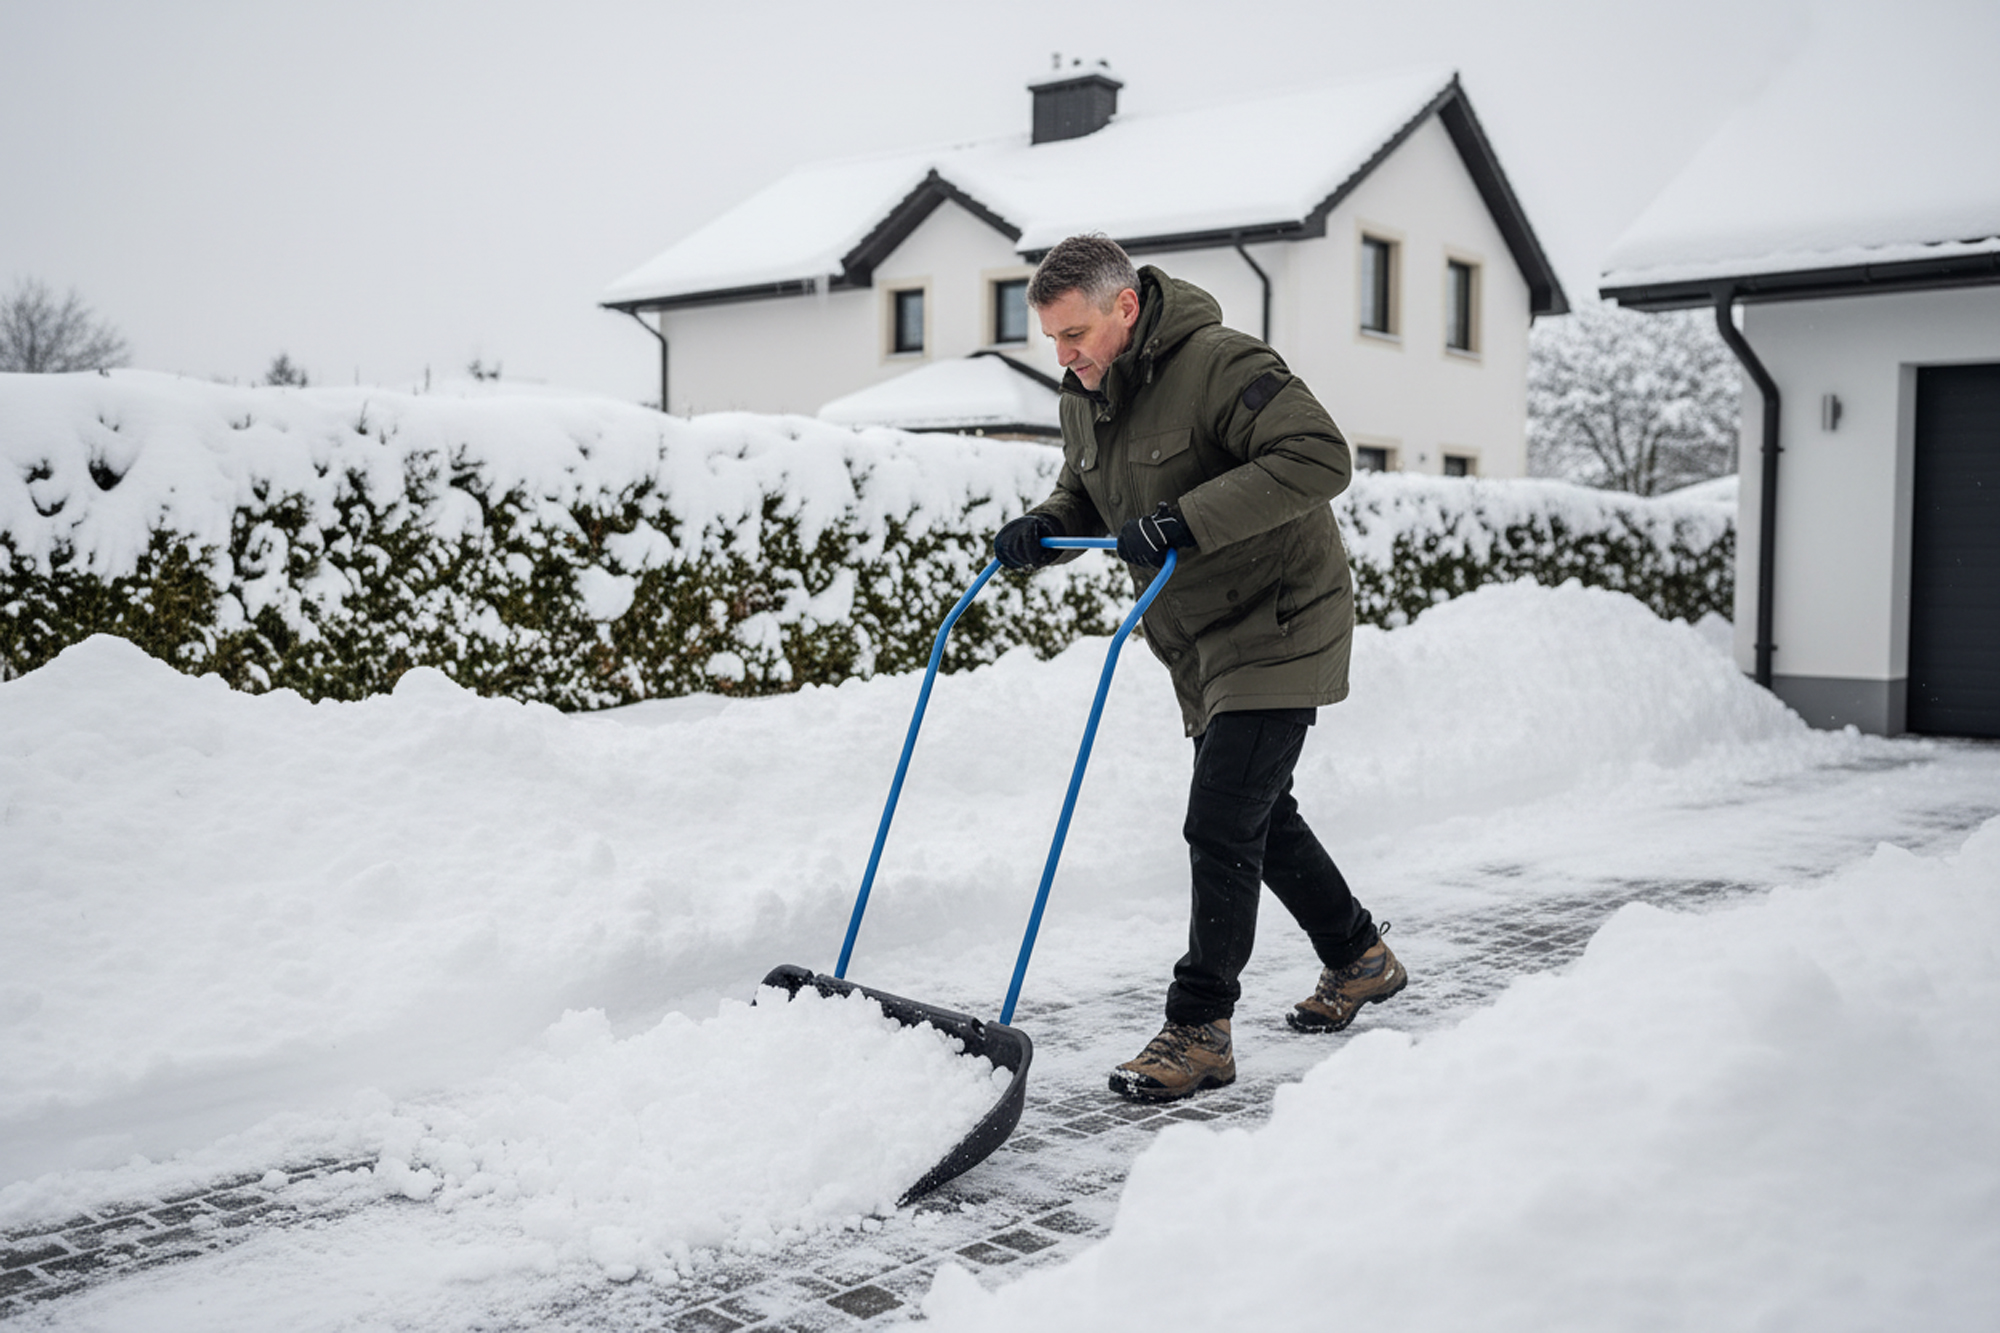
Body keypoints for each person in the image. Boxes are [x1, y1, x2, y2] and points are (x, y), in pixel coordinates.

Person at [993, 234, 1406, 1102]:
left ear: (1126, 307)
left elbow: (1320, 457)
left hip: (1283, 617)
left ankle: (1200, 1029)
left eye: (1074, 335)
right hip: (1201, 636)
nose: (1062, 357)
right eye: (1053, 340)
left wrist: (1184, 520)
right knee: (1260, 814)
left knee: (1220, 819)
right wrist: (1043, 524)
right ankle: (1359, 954)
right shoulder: (1086, 392)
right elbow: (1091, 489)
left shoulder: (1220, 363)